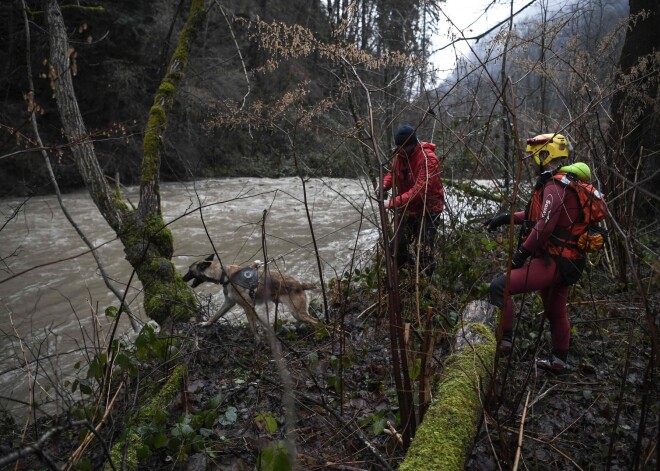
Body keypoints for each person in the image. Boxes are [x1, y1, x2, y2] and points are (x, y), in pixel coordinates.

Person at [485, 133, 589, 373]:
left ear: (546, 155)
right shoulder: (564, 182)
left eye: (535, 157)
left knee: (501, 286)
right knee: (555, 311)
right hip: (568, 260)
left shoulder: (554, 185)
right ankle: (559, 362)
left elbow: (544, 226)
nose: (533, 162)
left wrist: (522, 253)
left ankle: (505, 342)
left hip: (555, 260)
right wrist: (504, 219)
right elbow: (537, 216)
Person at [381, 124, 445, 276]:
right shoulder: (400, 155)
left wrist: (391, 203)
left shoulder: (429, 159)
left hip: (428, 210)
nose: (399, 151)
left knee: (423, 251)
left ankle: (425, 285)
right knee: (397, 246)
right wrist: (385, 184)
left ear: (411, 145)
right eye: (398, 148)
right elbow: (393, 173)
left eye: (402, 147)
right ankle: (405, 277)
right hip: (408, 208)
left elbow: (420, 190)